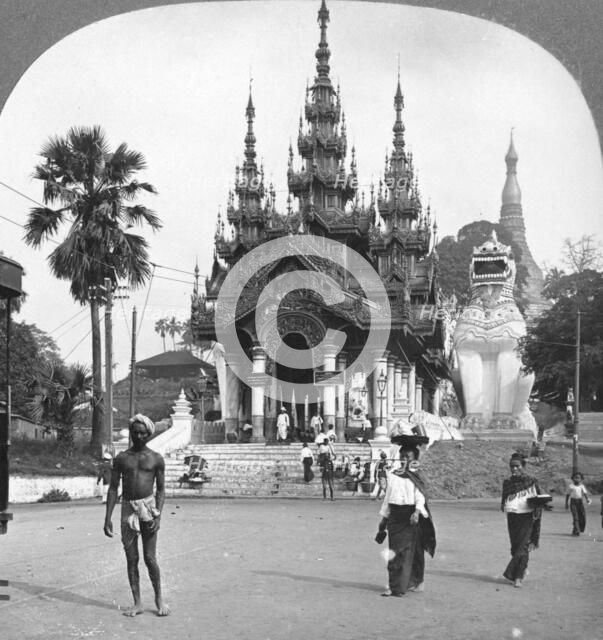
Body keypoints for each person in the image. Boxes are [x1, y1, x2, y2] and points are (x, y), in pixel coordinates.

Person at [103, 414, 170, 617]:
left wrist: (158, 515)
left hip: (148, 508)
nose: (139, 436)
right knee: (131, 558)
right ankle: (138, 602)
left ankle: (159, 599)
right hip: (127, 508)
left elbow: (161, 490)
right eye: (135, 432)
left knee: (150, 557)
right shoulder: (122, 458)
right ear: (131, 433)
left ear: (149, 434)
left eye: (143, 433)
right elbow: (113, 489)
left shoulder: (156, 459)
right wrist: (107, 517)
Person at [376, 444, 435, 596]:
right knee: (396, 551)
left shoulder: (416, 475)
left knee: (405, 552)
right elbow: (388, 498)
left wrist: (416, 512)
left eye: (407, 457)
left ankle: (397, 587)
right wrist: (383, 518)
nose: (404, 460)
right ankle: (408, 583)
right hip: (395, 516)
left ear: (414, 459)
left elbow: (420, 496)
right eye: (402, 456)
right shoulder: (393, 474)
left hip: (410, 516)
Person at [500, 452, 542, 588]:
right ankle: (521, 569)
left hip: (527, 517)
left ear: (523, 466)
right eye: (512, 466)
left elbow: (539, 499)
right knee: (515, 547)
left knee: (523, 547)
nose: (514, 469)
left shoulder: (531, 481)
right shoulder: (507, 483)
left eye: (517, 466)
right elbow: (503, 500)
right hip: (512, 518)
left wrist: (537, 508)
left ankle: (517, 577)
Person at [565, 472, 591, 536]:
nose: (576, 479)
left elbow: (585, 493)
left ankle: (576, 529)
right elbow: (567, 495)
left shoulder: (582, 486)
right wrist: (566, 503)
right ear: (572, 479)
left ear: (581, 479)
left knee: (582, 516)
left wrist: (587, 499)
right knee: (575, 517)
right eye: (575, 478)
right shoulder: (571, 486)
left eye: (578, 478)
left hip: (580, 502)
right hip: (573, 502)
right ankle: (577, 531)